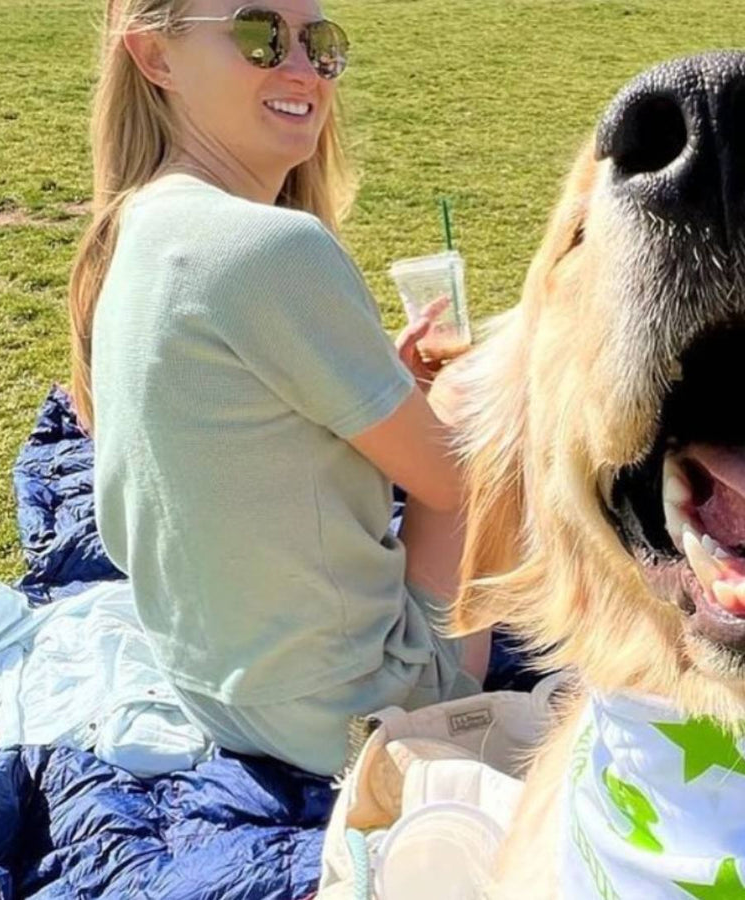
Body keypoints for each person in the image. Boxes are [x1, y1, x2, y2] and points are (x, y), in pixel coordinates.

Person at [68, 0, 488, 776]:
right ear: (155, 58)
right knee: (499, 391)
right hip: (364, 709)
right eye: (260, 35)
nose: (302, 68)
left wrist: (379, 377)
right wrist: (470, 395)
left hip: (216, 690)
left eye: (319, 44)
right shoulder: (273, 246)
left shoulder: (135, 228)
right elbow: (456, 483)